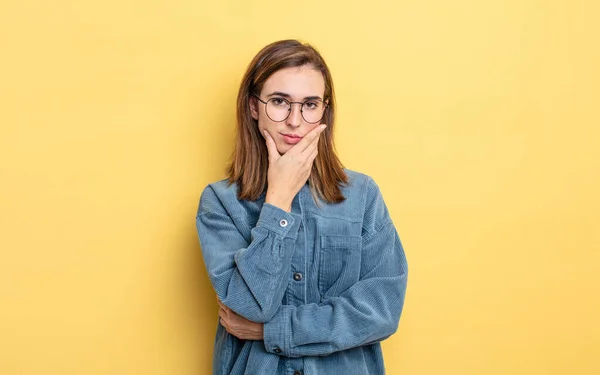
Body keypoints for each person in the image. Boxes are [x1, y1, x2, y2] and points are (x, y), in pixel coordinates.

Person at [195, 39, 408, 375]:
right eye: (279, 102)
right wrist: (278, 200)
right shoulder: (220, 203)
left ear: (325, 110)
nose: (294, 120)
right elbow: (252, 304)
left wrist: (272, 331)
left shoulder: (362, 196)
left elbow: (380, 311)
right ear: (253, 106)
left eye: (309, 104)